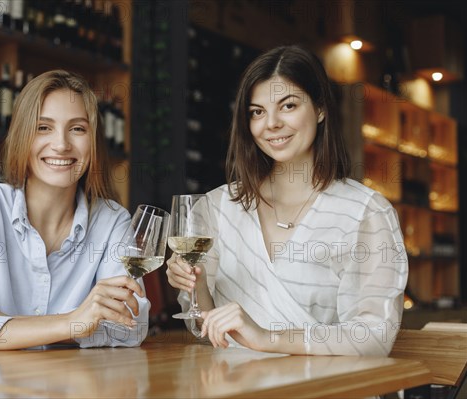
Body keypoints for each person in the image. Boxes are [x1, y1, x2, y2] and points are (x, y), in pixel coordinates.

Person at [167, 45, 408, 356]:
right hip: (234, 387)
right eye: (257, 112)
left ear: (321, 109)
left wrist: (267, 338)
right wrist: (194, 283)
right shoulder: (215, 207)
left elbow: (375, 337)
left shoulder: (366, 213)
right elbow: (204, 328)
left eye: (288, 106)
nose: (271, 124)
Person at [0, 70, 149, 354]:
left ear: (93, 141)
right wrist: (72, 323)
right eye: (43, 127)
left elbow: (131, 326)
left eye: (77, 129)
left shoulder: (111, 220)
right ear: (22, 136)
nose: (61, 144)